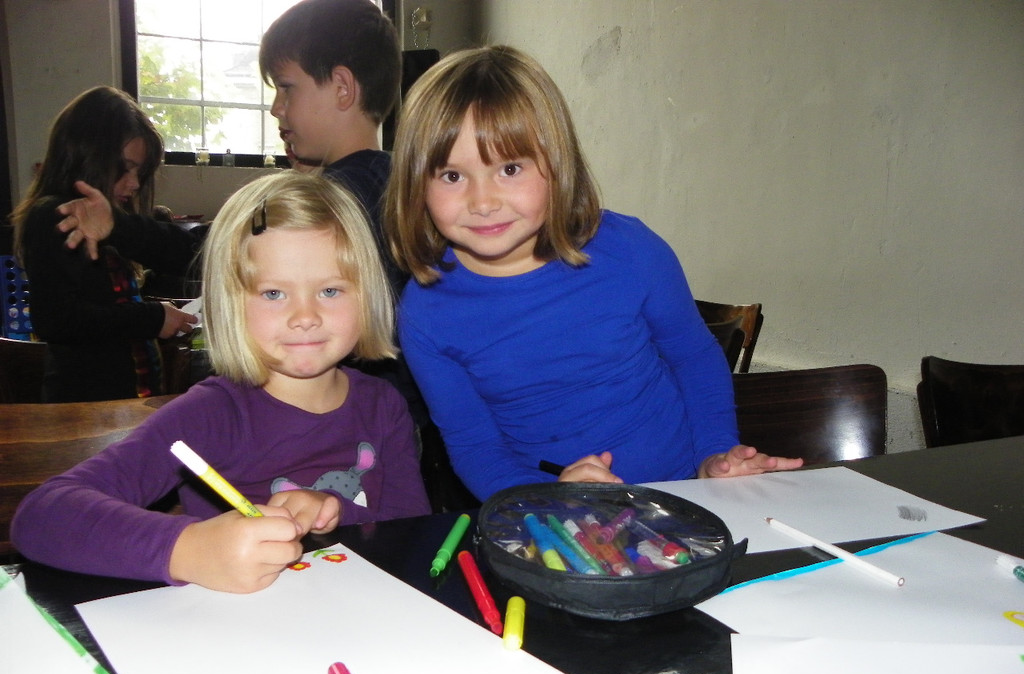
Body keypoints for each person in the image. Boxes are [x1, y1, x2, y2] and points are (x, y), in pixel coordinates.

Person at [384, 46, 804, 503]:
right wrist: (546, 498)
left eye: (509, 168)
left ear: (557, 164)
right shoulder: (426, 315)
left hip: (684, 495)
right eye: (451, 176)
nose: (482, 202)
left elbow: (695, 358)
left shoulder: (631, 250)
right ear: (416, 184)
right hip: (556, 522)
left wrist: (715, 453)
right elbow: (474, 446)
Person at [12, 171, 431, 593]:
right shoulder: (210, 414)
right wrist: (189, 549)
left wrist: (336, 512)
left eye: (330, 291)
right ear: (230, 304)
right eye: (273, 293)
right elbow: (43, 517)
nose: (305, 316)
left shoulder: (385, 405)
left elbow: (412, 533)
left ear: (367, 294)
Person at [258, 0, 427, 426]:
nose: (277, 107)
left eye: (286, 87)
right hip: (406, 410)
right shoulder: (394, 178)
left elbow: (230, 254)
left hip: (355, 422)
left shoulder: (339, 197)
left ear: (342, 88)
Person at [10, 86, 198, 402]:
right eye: (125, 168)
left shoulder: (108, 221)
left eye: (140, 172)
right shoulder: (58, 215)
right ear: (85, 156)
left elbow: (109, 302)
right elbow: (57, 319)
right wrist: (152, 318)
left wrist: (158, 313)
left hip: (120, 405)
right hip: (84, 407)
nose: (134, 184)